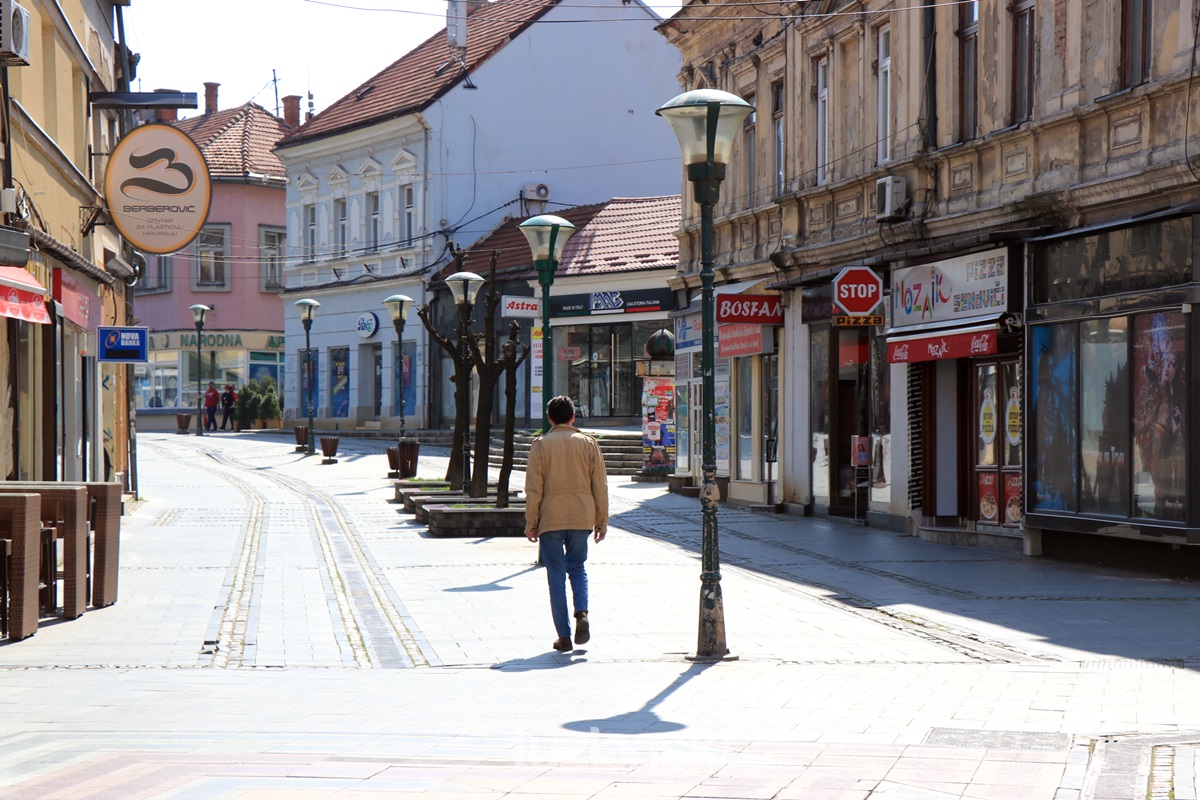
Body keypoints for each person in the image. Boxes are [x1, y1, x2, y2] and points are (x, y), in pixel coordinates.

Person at [524, 395, 609, 652]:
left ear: (550, 418)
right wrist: (601, 521)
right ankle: (581, 612)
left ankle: (564, 637)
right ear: (573, 417)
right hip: (582, 517)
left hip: (551, 518)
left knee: (556, 576)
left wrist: (531, 521)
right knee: (578, 567)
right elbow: (600, 486)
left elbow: (533, 488)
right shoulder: (589, 444)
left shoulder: (541, 445)